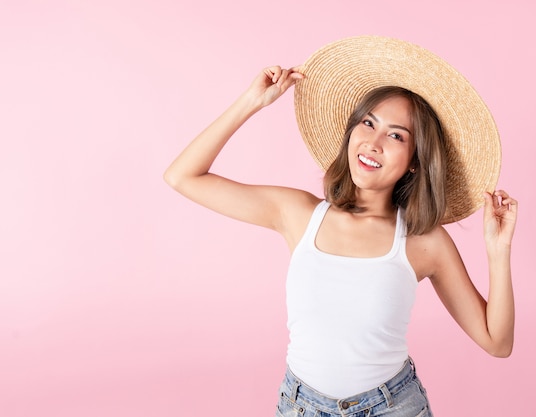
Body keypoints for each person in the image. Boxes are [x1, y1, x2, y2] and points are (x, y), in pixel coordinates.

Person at [164, 36, 517, 417]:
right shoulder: (298, 213)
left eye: (396, 135)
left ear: (415, 161)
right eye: (368, 123)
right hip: (302, 407)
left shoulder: (424, 241)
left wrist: (498, 252)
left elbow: (497, 342)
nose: (373, 141)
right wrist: (252, 102)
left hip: (393, 408)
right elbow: (183, 176)